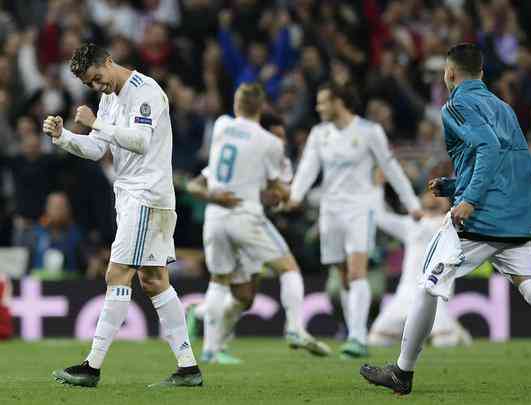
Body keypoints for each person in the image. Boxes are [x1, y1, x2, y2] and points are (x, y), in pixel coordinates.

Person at [360, 43, 531, 396]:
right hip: (516, 213)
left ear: (449, 74)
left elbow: (488, 148)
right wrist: (454, 185)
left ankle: (402, 372)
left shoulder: (455, 104)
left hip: (482, 217)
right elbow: (506, 161)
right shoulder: (503, 108)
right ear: (482, 74)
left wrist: (467, 199)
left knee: (427, 284)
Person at [43, 43, 202, 388]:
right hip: (133, 196)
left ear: (109, 62)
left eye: (97, 78)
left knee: (117, 273)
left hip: (146, 195)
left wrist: (97, 122)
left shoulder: (144, 91)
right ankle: (188, 368)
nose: (96, 87)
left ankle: (92, 366)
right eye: (89, 84)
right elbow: (100, 148)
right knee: (154, 280)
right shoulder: (110, 98)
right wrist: (64, 137)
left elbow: (141, 141)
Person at [186, 84, 330, 364]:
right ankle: (294, 328)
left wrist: (213, 193)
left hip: (215, 217)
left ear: (237, 104)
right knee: (289, 268)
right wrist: (289, 196)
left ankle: (209, 349)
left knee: (231, 289)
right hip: (246, 216)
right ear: (261, 109)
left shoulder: (221, 126)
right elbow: (281, 188)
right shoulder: (270, 145)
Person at [288, 82, 423, 358]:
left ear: (339, 102)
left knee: (357, 270)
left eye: (323, 102)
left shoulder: (369, 131)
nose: (318, 107)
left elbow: (391, 168)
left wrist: (412, 204)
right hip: (330, 211)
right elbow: (308, 168)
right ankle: (354, 332)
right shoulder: (319, 133)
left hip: (359, 209)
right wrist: (295, 196)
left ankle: (358, 337)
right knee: (344, 275)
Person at [368, 182, 471, 348]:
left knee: (444, 342)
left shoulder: (454, 222)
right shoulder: (410, 224)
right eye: (429, 194)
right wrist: (378, 186)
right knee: (377, 339)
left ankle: (453, 330)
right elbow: (379, 217)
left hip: (435, 293)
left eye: (439, 195)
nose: (433, 198)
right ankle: (420, 330)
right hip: (405, 294)